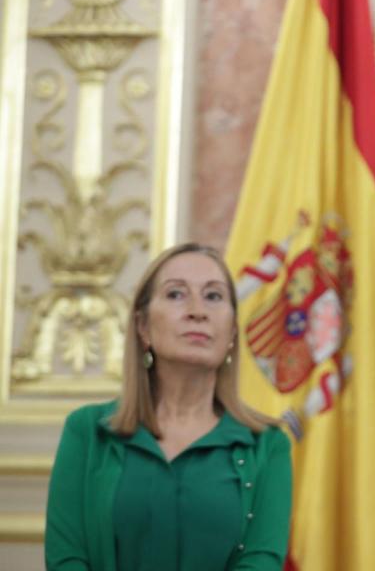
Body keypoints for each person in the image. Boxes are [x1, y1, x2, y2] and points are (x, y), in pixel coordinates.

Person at [45, 243, 292, 570]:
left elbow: (259, 563)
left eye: (214, 296)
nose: (197, 310)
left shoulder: (268, 445)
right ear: (143, 327)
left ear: (232, 331)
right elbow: (67, 560)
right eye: (176, 294)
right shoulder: (87, 431)